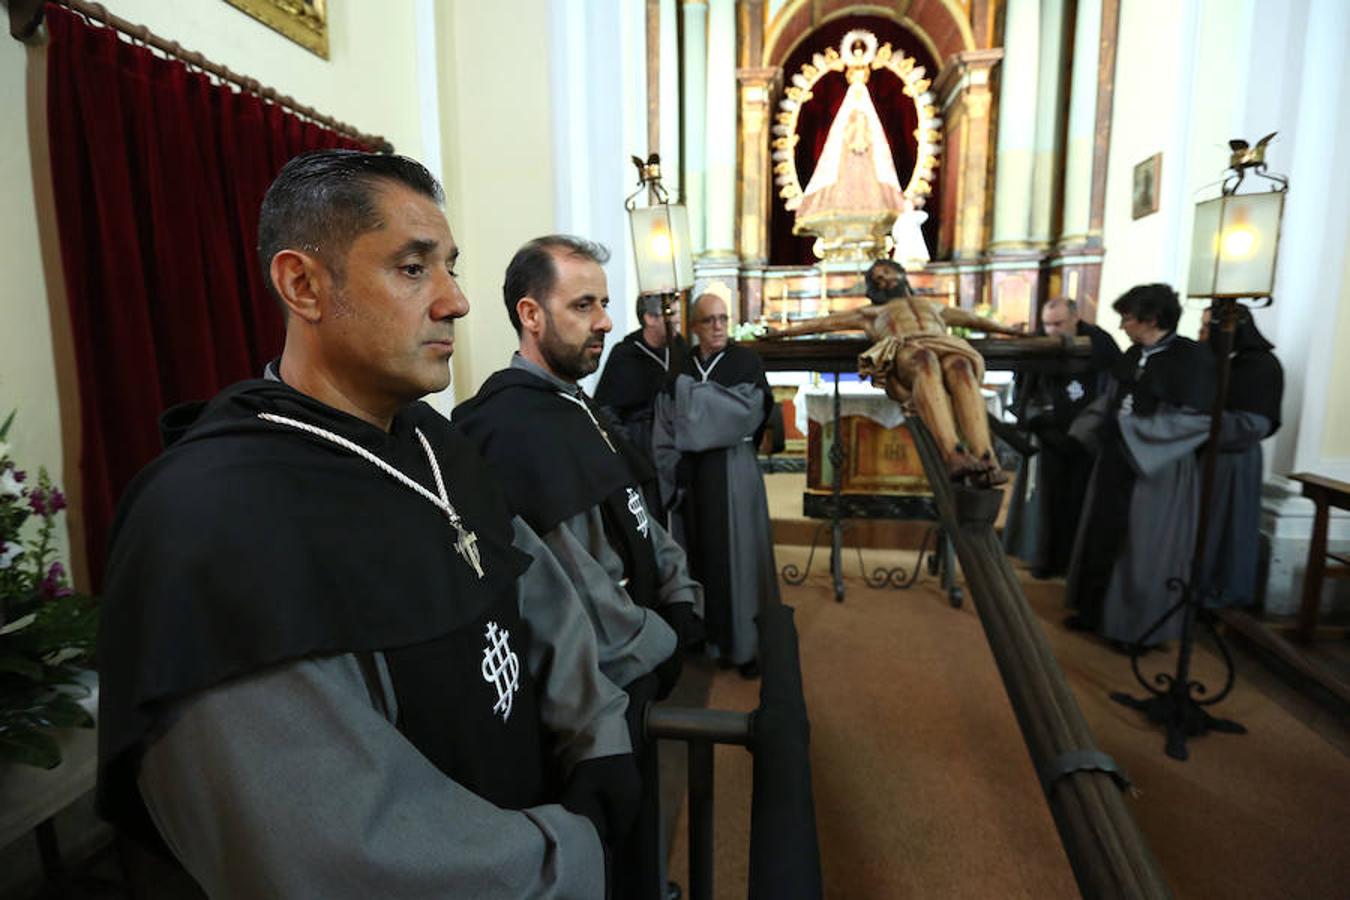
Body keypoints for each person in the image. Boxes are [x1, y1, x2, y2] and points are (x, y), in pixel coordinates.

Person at [96, 150, 639, 899]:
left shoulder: (434, 441)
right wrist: (559, 857)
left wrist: (597, 738)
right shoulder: (207, 522)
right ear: (304, 285)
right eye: (414, 269)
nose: (455, 300)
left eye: (450, 266)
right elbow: (330, 847)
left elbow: (531, 591)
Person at [452, 235, 705, 900]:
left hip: (642, 657)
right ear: (531, 315)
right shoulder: (507, 425)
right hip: (603, 685)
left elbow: (637, 512)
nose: (605, 321)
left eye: (606, 303)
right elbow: (571, 583)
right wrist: (661, 637)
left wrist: (678, 591)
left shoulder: (576, 401)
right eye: (584, 304)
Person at [765, 258, 1024, 487]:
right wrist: (782, 333)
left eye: (888, 272)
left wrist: (1014, 333)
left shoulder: (933, 306)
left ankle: (986, 458)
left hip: (945, 344)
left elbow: (975, 320)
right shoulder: (869, 313)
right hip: (907, 347)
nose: (884, 279)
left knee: (961, 366)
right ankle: (952, 453)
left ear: (902, 276)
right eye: (877, 278)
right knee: (924, 361)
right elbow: (822, 323)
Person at [1064, 284, 1216, 648]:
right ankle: (1094, 612)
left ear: (1151, 320)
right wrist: (1085, 430)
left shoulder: (1191, 360)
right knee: (1100, 535)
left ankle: (1134, 629)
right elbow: (1113, 399)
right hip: (1116, 459)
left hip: (1154, 467)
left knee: (1142, 547)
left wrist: (1135, 432)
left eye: (1127, 318)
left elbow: (1197, 420)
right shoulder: (1134, 353)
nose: (1122, 326)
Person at [653, 292, 780, 678]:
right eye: (709, 320)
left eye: (724, 318)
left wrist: (691, 403)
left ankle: (745, 646)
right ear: (694, 327)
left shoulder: (745, 362)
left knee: (739, 560)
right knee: (694, 554)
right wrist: (675, 459)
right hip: (690, 478)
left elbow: (747, 412)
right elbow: (665, 424)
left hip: (732, 475)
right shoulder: (681, 367)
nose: (719, 326)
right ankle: (703, 636)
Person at [1003, 298, 1122, 577]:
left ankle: (1071, 563)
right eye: (1047, 324)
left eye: (1058, 324)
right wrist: (1035, 417)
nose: (1052, 331)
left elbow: (1109, 390)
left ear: (1075, 318)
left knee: (1078, 502)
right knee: (1045, 504)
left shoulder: (1100, 344)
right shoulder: (1038, 345)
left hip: (1085, 441)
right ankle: (1043, 558)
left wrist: (1082, 431)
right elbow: (1024, 390)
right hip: (1047, 437)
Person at [1197, 306, 1283, 607]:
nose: (1201, 334)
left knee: (1225, 531)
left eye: (1208, 327)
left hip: (1233, 460)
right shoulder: (1217, 361)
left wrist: (1195, 425)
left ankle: (1219, 594)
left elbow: (1254, 423)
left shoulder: (1260, 366)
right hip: (1206, 455)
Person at [594, 294, 692, 500]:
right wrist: (632, 452)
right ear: (649, 318)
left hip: (679, 448)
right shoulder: (625, 354)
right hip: (641, 449)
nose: (676, 320)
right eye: (671, 314)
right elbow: (606, 411)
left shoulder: (681, 349)